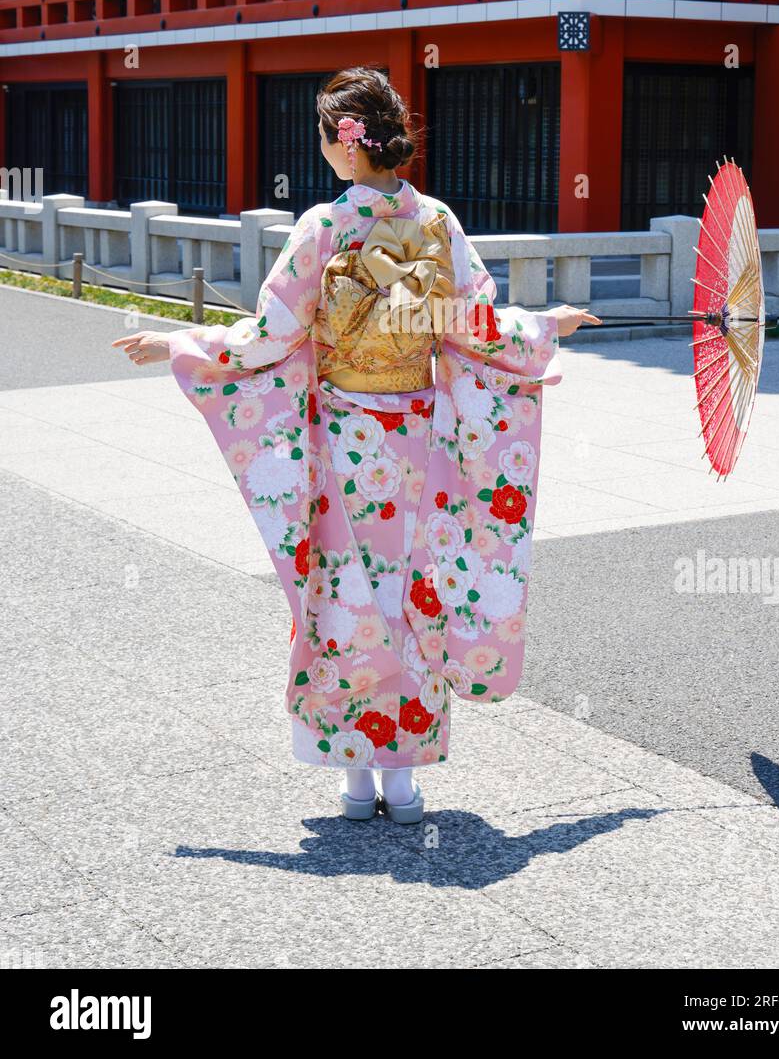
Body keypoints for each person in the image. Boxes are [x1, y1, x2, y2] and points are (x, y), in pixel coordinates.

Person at [113, 67, 600, 824]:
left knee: (342, 592)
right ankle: (403, 777)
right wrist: (544, 326)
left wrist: (182, 341)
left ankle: (352, 776)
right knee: (416, 592)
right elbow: (472, 327)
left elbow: (271, 336)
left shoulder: (322, 226)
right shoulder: (436, 221)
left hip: (344, 440)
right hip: (420, 438)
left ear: (345, 147)